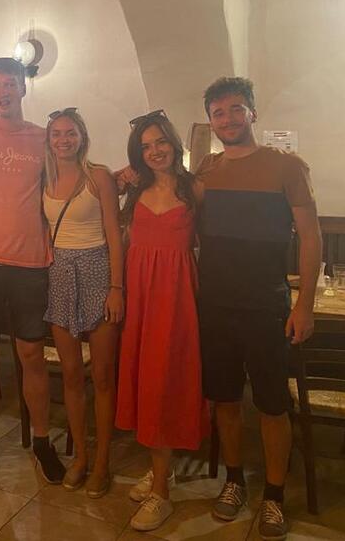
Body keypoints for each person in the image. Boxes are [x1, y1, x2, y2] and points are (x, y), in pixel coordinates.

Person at [197, 77, 321, 540]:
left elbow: (311, 236)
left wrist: (304, 304)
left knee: (272, 404)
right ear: (211, 122)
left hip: (267, 304)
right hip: (214, 305)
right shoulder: (206, 170)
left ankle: (273, 496)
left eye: (236, 109)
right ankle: (234, 481)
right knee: (225, 400)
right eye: (219, 113)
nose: (228, 119)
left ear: (253, 112)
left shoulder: (286, 167)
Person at [0, 57, 66, 486]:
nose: (3, 92)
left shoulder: (42, 138)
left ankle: (41, 441)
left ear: (23, 88)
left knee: (32, 357)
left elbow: (70, 176)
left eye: (11, 84)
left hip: (30, 265)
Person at [115, 111, 208, 532]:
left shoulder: (195, 190)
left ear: (173, 142)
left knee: (165, 382)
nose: (154, 151)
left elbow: (212, 243)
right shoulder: (135, 188)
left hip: (176, 300)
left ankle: (161, 494)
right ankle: (160, 472)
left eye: (160, 142)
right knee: (147, 380)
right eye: (146, 146)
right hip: (140, 297)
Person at [41, 108, 124, 497]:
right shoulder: (44, 179)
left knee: (103, 376)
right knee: (72, 375)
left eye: (70, 133)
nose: (64, 140)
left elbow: (114, 234)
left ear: (82, 136)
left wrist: (116, 287)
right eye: (57, 134)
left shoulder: (98, 177)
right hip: (60, 275)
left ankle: (103, 461)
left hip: (97, 271)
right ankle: (81, 458)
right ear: (48, 139)